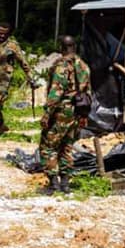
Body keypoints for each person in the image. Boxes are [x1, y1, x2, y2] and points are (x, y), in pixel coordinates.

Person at [39, 35, 91, 194]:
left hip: (62, 112)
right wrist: (84, 116)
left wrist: (47, 114)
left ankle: (54, 183)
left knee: (48, 146)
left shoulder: (61, 66)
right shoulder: (83, 66)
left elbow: (56, 93)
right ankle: (66, 184)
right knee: (67, 147)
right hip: (77, 112)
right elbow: (88, 93)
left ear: (61, 48)